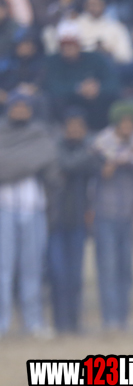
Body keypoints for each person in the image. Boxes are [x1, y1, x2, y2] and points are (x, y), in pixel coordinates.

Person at [0, 91, 57, 337]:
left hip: (33, 208)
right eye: (16, 107)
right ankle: (3, 323)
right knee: (3, 269)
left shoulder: (40, 134)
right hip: (4, 207)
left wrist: (16, 164)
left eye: (25, 107)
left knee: (32, 269)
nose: (20, 111)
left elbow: (49, 160)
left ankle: (33, 322)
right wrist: (25, 164)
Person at [92, 100, 133, 331]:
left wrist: (122, 159)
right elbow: (103, 168)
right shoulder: (101, 142)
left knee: (126, 268)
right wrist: (119, 159)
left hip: (129, 213)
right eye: (124, 122)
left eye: (131, 122)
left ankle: (123, 317)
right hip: (105, 212)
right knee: (108, 267)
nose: (128, 126)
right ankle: (110, 319)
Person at [50, 108, 99, 334]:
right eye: (72, 126)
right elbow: (67, 164)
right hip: (56, 222)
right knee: (58, 274)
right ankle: (60, 323)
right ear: (64, 128)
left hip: (79, 221)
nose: (75, 130)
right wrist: (88, 154)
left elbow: (94, 170)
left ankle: (75, 322)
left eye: (79, 127)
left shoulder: (88, 151)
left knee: (76, 276)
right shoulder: (56, 149)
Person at [43, 20, 117, 130]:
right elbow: (52, 86)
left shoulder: (95, 58)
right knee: (56, 100)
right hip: (69, 104)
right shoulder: (53, 62)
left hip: (96, 103)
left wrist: (98, 88)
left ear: (79, 44)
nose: (68, 48)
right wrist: (78, 88)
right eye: (64, 45)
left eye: (72, 44)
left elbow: (113, 82)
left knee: (111, 97)